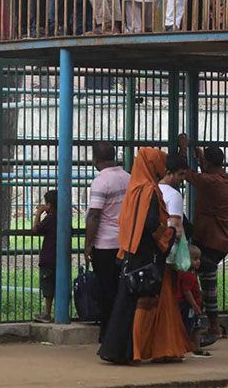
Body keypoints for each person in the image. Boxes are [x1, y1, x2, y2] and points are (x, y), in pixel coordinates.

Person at [98, 147, 191, 365]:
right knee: (142, 305)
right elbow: (151, 224)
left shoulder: (134, 188)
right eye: (159, 162)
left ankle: (120, 350)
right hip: (146, 255)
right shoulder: (149, 190)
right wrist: (169, 237)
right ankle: (132, 351)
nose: (162, 167)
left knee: (126, 303)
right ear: (152, 165)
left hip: (130, 253)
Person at [180, 141, 228, 341]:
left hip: (208, 240)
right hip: (224, 240)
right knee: (203, 281)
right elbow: (207, 173)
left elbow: (184, 173)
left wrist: (182, 149)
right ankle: (207, 322)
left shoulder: (209, 181)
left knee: (203, 284)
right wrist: (201, 158)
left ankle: (211, 325)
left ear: (210, 166)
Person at [84, 142, 130, 342]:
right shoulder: (129, 178)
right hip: (126, 242)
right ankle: (122, 331)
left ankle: (107, 334)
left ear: (96, 159)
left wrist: (88, 244)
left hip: (105, 244)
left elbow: (94, 215)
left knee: (106, 290)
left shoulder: (101, 181)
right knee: (123, 290)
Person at [177, 245, 210, 356]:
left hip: (190, 304)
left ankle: (196, 347)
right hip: (187, 305)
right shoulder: (187, 275)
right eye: (195, 259)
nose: (198, 262)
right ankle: (186, 346)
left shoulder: (186, 273)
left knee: (196, 326)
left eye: (199, 259)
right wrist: (194, 305)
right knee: (189, 326)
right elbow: (187, 292)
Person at [33, 189, 58, 323]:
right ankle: (59, 312)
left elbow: (36, 229)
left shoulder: (49, 218)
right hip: (59, 256)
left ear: (49, 205)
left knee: (48, 285)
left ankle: (47, 313)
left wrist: (38, 213)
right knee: (57, 283)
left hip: (48, 256)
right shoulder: (61, 217)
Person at [159, 154, 187, 233]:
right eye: (180, 174)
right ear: (168, 173)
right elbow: (175, 224)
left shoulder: (153, 189)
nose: (183, 178)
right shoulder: (174, 195)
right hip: (172, 242)